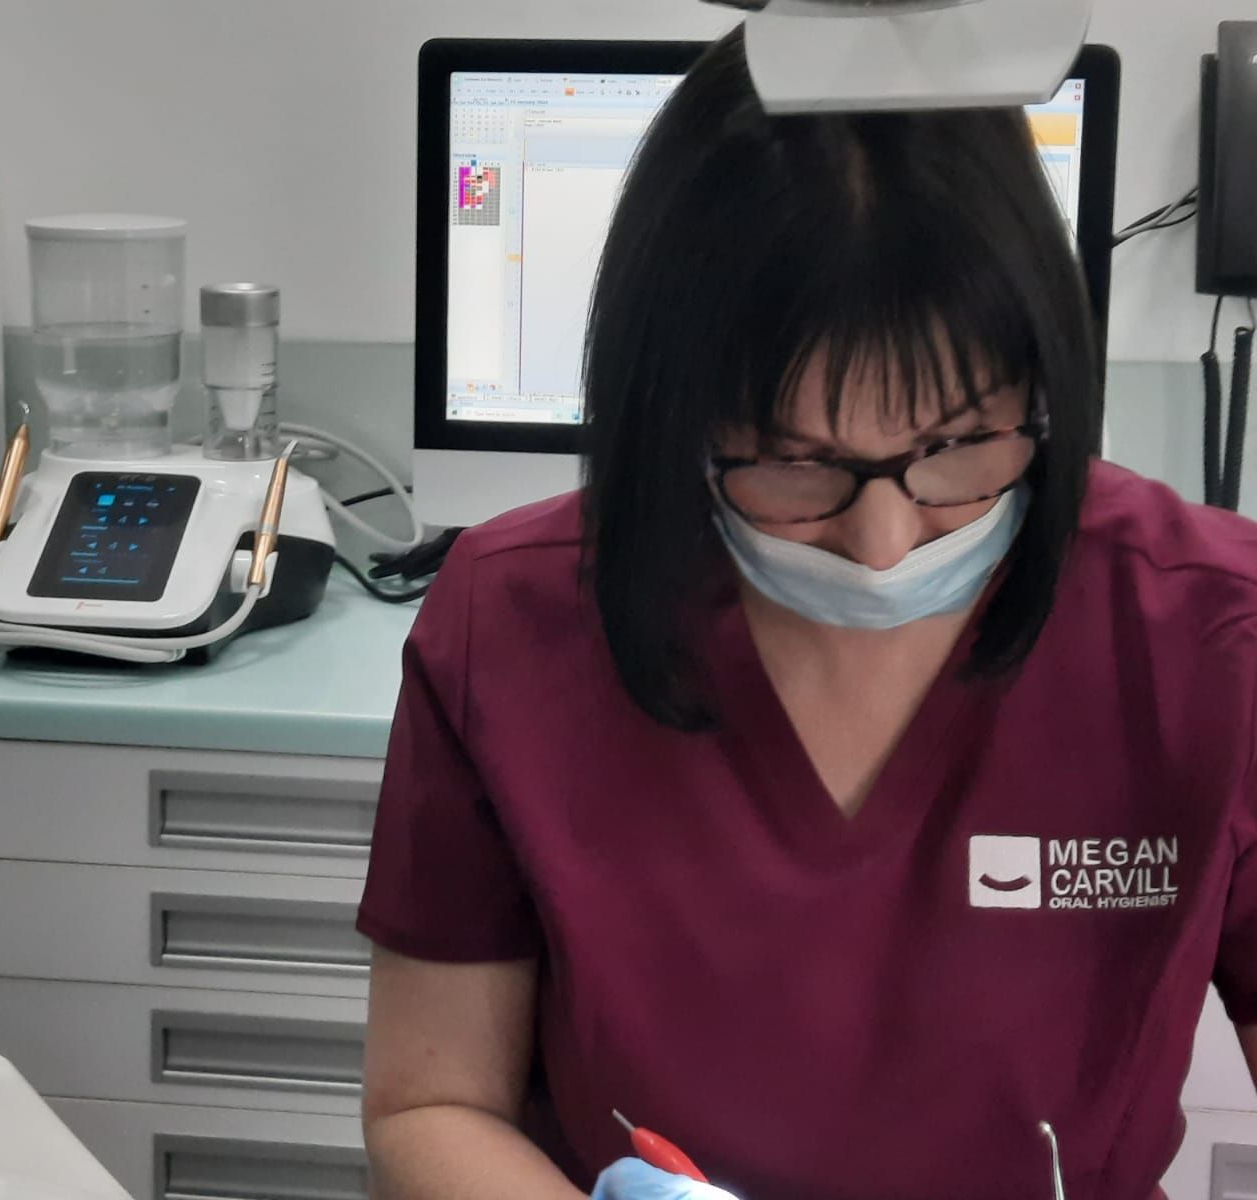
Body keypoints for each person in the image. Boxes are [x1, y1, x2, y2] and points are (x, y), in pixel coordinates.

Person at [355, 26, 1257, 1200]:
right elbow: (432, 1102)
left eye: (955, 446)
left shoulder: (1209, 637)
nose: (882, 543)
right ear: (669, 412)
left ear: (1049, 389)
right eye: (793, 464)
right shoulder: (511, 624)